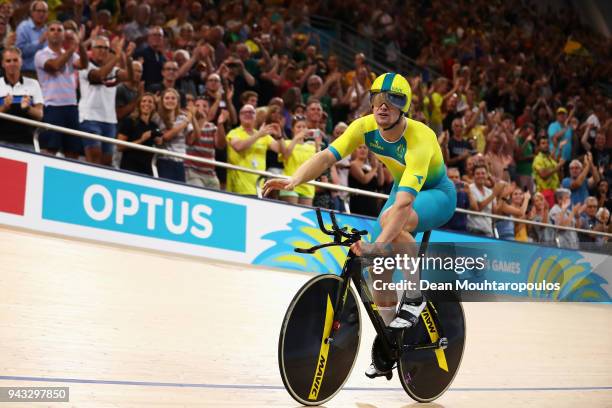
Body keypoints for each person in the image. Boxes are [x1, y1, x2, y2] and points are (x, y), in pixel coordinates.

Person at [263, 72, 457, 378]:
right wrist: (294, 179)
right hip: (402, 189)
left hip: (436, 194)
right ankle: (391, 339)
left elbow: (404, 205)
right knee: (377, 270)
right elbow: (327, 156)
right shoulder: (364, 127)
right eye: (377, 100)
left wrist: (378, 246)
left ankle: (415, 295)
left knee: (390, 222)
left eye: (390, 102)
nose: (381, 107)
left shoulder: (421, 137)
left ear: (403, 107)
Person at [34, 21, 88, 159]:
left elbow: (83, 64)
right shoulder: (41, 54)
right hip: (52, 106)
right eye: (52, 29)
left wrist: (80, 44)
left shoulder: (68, 53)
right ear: (46, 34)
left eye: (59, 30)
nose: (56, 32)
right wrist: (73, 48)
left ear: (63, 35)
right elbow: (55, 66)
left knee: (73, 151)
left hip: (71, 106)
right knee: (49, 149)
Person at [79, 36, 135, 165]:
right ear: (91, 49)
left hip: (109, 120)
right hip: (90, 118)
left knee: (106, 162)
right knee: (94, 158)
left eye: (106, 48)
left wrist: (128, 59)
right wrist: (116, 56)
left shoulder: (114, 70)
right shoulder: (85, 67)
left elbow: (130, 77)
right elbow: (99, 75)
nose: (103, 50)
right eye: (99, 47)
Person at [226, 104, 284, 195]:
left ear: (255, 116)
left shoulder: (262, 134)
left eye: (251, 112)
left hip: (258, 188)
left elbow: (280, 150)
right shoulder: (234, 133)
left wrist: (279, 136)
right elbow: (238, 146)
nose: (248, 114)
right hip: (239, 187)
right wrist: (259, 135)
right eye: (245, 112)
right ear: (239, 116)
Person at [0, 47, 43, 150]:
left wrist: (28, 108)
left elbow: (40, 115)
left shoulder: (33, 84)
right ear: (3, 64)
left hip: (26, 143)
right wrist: (4, 107)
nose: (12, 64)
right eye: (8, 61)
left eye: (15, 60)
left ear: (21, 62)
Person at [185, 97, 228, 189]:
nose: (201, 108)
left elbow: (221, 145)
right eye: (197, 105)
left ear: (209, 109)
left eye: (205, 106)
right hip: (192, 172)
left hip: (210, 174)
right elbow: (192, 140)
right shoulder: (188, 123)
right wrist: (202, 120)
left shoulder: (212, 127)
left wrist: (220, 124)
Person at [153, 88, 194, 182]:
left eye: (173, 98)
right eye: (167, 98)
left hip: (180, 162)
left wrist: (192, 117)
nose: (170, 101)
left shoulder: (182, 117)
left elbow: (190, 141)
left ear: (177, 101)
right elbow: (165, 137)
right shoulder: (157, 117)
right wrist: (186, 122)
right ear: (162, 100)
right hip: (164, 161)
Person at [278, 117, 320, 206]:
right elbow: (285, 156)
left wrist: (318, 146)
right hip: (290, 183)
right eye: (298, 127)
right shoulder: (286, 142)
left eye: (304, 127)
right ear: (293, 129)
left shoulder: (311, 146)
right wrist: (296, 139)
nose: (301, 129)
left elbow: (318, 164)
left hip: (308, 186)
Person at [116, 93, 158, 176]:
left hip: (147, 169)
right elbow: (119, 146)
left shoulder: (154, 126)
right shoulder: (129, 121)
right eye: (144, 101)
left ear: (154, 106)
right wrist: (141, 140)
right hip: (130, 167)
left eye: (150, 102)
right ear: (139, 105)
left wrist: (158, 141)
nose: (147, 104)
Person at [15, 0, 48, 76]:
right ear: (32, 13)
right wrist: (39, 42)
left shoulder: (47, 30)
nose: (41, 14)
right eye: (39, 11)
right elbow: (19, 52)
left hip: (45, 73)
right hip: (27, 73)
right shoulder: (23, 27)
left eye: (44, 11)